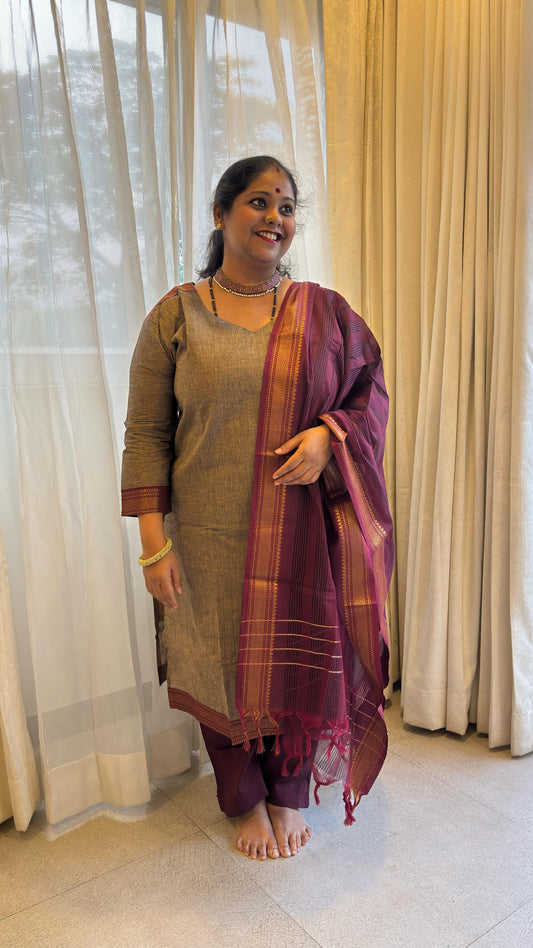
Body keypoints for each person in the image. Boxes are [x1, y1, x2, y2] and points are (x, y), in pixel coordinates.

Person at [121, 155, 393, 862]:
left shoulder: (325, 312)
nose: (275, 217)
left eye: (286, 206)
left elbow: (368, 394)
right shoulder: (175, 315)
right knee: (212, 662)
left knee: (299, 660)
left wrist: (329, 438)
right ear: (220, 213)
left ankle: (287, 792)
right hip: (204, 535)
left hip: (300, 533)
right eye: (258, 201)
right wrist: (153, 544)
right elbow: (146, 433)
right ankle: (243, 799)